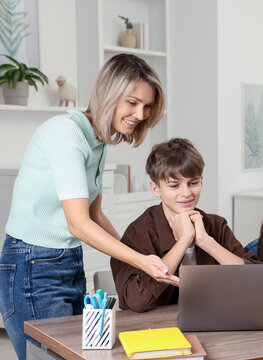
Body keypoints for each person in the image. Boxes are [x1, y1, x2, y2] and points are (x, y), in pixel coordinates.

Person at [0, 54, 178, 360]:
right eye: (132, 102)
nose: (140, 114)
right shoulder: (67, 134)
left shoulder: (99, 140)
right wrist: (140, 261)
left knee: (81, 353)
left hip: (68, 261)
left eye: (147, 106)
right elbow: (79, 224)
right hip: (32, 264)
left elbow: (95, 215)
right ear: (108, 92)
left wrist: (140, 256)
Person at [111, 138, 262, 312]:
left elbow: (258, 281)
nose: (187, 193)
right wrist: (183, 241)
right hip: (158, 329)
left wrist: (205, 241)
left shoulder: (216, 225)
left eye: (193, 183)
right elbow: (137, 301)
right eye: (174, 185)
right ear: (156, 189)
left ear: (202, 180)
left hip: (214, 321)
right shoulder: (139, 232)